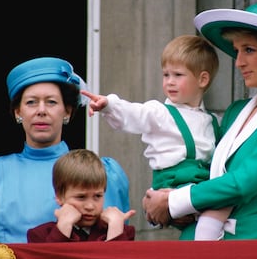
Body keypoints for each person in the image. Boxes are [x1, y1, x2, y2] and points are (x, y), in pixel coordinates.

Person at [142, 2, 257, 240]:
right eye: (237, 50)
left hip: (243, 249)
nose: (238, 62)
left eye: (248, 50)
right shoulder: (236, 111)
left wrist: (171, 201)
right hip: (192, 240)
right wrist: (162, 197)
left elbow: (243, 183)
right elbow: (205, 178)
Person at [0, 57, 130, 244]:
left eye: (51, 102)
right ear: (18, 112)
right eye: (31, 102)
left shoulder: (105, 172)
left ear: (68, 111)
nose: (41, 110)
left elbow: (117, 252)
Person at [82, 34, 234, 240]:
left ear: (202, 79)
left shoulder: (212, 121)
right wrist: (109, 105)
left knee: (223, 200)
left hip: (197, 183)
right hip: (174, 182)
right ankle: (206, 242)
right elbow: (134, 113)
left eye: (178, 75)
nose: (169, 82)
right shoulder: (159, 112)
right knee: (221, 201)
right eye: (166, 75)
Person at [27, 149, 136, 242]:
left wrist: (116, 228)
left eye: (97, 196)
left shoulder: (122, 231)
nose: (90, 206)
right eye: (81, 197)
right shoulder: (39, 235)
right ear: (59, 196)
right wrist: (63, 227)